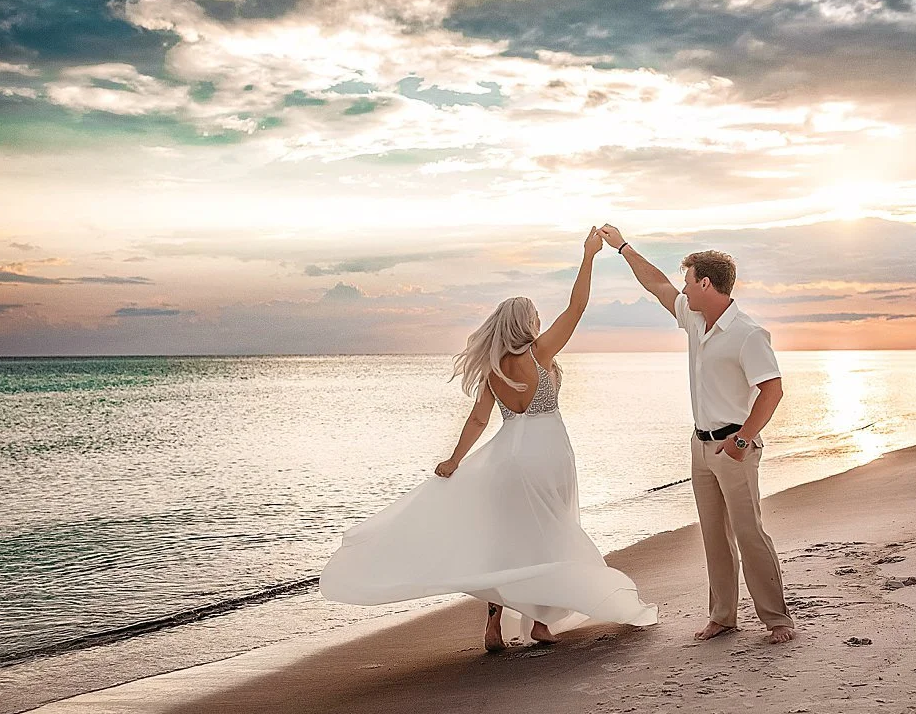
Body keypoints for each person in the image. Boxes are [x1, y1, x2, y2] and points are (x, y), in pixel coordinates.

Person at [320, 227, 658, 651]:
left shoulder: (494, 368)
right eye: (535, 316)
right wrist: (589, 256)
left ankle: (494, 628)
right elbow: (577, 306)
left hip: (506, 457)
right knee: (549, 534)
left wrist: (454, 461)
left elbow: (478, 420)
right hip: (547, 453)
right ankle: (540, 624)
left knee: (505, 540)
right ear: (527, 323)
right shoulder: (540, 355)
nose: (540, 322)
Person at [598, 224, 794, 644]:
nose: (682, 291)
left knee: (749, 533)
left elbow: (773, 389)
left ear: (706, 283)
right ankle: (723, 616)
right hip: (700, 446)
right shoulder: (692, 318)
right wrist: (623, 247)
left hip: (734, 447)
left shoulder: (748, 333)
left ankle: (777, 619)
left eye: (688, 282)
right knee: (714, 536)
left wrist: (743, 439)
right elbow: (655, 284)